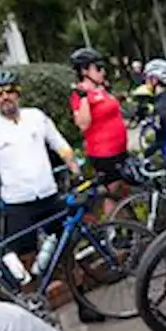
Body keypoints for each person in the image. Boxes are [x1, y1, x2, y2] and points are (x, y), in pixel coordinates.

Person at [0, 70, 93, 322]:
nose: (5, 97)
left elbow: (60, 144)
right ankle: (35, 313)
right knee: (25, 263)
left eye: (10, 91)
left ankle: (84, 304)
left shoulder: (36, 117)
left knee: (67, 251)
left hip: (49, 197)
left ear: (18, 94)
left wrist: (75, 169)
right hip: (17, 204)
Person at [69, 48, 127, 218]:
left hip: (119, 148)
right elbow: (83, 124)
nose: (103, 71)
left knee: (122, 191)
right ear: (84, 71)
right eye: (98, 68)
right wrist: (85, 98)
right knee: (113, 194)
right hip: (104, 153)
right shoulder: (79, 94)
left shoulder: (101, 89)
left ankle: (128, 228)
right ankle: (115, 232)